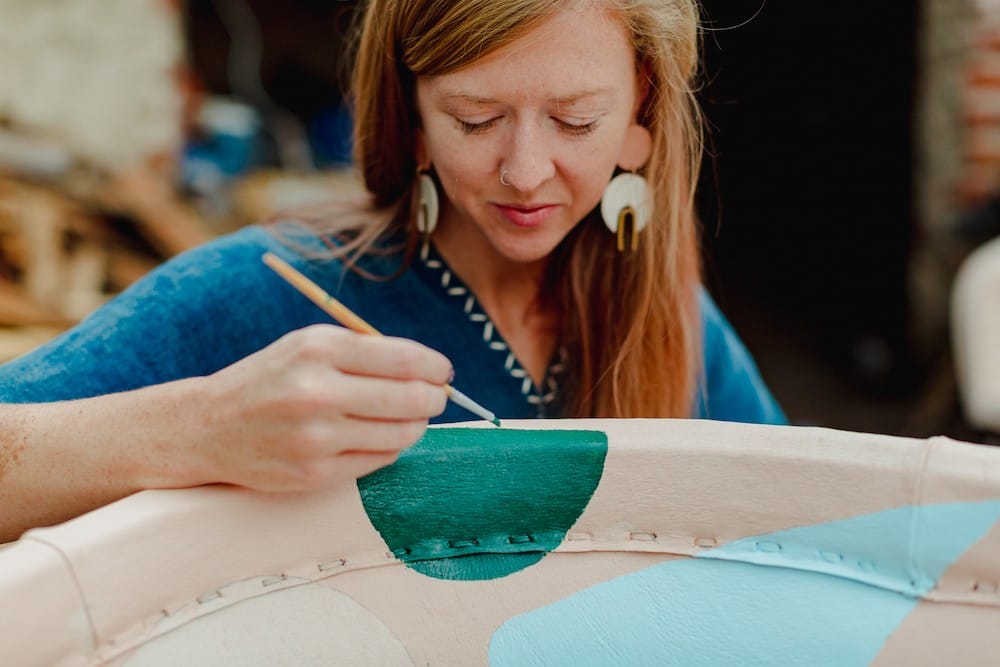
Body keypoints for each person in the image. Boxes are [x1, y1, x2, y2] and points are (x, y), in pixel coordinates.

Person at [0, 0, 784, 542]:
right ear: (408, 115)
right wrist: (198, 430)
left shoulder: (671, 317)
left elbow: (806, 524)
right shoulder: (264, 290)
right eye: (475, 119)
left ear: (642, 111)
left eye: (575, 121)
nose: (525, 171)